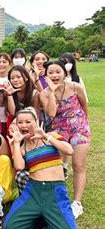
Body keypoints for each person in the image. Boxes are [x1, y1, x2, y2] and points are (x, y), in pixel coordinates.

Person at [4, 108, 80, 229]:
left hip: (55, 191)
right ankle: (42, 220)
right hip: (33, 191)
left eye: (28, 121)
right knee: (11, 228)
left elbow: (69, 150)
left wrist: (45, 136)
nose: (24, 125)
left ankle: (51, 222)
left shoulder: (50, 136)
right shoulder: (23, 146)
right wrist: (15, 143)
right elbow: (19, 166)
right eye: (20, 122)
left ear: (36, 121)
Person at [40, 61, 90, 218]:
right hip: (59, 130)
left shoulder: (76, 87)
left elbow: (84, 106)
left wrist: (84, 124)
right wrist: (53, 92)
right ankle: (59, 198)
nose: (55, 75)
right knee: (56, 166)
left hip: (79, 128)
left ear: (65, 73)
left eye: (58, 72)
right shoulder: (44, 93)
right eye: (51, 72)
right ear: (46, 76)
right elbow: (51, 113)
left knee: (78, 165)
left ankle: (77, 203)